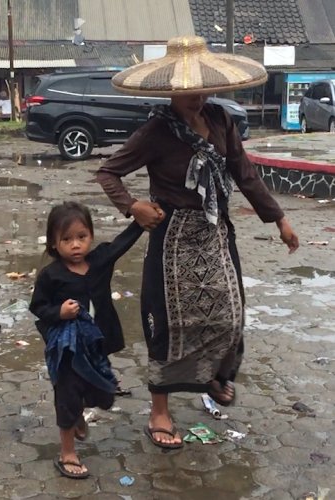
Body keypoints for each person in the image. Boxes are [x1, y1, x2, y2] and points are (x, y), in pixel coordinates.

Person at [96, 35, 299, 449]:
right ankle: (159, 411)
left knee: (229, 314)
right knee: (169, 325)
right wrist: (133, 205)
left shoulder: (221, 120)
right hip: (171, 238)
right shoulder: (155, 130)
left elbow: (244, 174)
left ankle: (214, 375)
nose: (196, 97)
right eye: (187, 91)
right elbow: (107, 172)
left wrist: (278, 218)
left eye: (201, 89)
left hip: (215, 234)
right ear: (172, 90)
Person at [29, 201, 144, 479]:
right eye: (66, 239)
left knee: (103, 395)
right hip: (66, 350)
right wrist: (60, 312)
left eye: (82, 237)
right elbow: (38, 307)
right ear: (54, 244)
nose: (76, 245)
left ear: (91, 236)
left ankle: (79, 414)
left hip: (96, 346)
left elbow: (121, 243)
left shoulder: (100, 262)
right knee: (67, 395)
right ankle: (67, 452)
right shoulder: (51, 275)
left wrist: (142, 221)